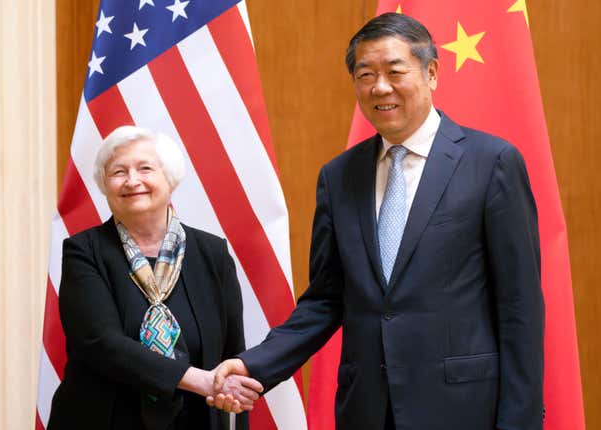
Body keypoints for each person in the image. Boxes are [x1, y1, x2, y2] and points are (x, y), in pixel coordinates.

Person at [210, 12, 545, 430]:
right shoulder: (338, 176)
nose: (380, 87)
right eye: (365, 74)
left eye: (394, 71)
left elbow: (520, 307)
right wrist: (251, 365)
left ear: (432, 73)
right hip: (367, 408)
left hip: (463, 408)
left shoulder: (491, 162)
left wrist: (521, 421)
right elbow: (326, 300)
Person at [47, 126, 262, 430]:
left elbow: (232, 353)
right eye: (118, 172)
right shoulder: (84, 251)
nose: (132, 181)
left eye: (145, 168)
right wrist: (198, 380)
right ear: (105, 186)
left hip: (196, 420)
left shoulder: (211, 253)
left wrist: (232, 399)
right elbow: (101, 343)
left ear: (170, 178)